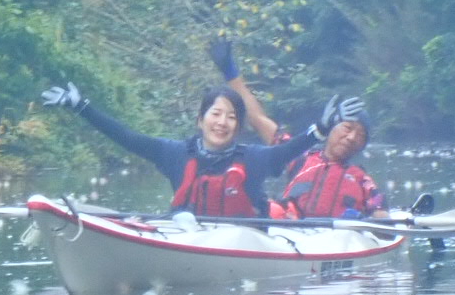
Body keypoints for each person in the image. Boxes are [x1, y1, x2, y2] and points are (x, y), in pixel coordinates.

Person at [39, 80, 357, 218]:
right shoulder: (173, 153)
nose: (222, 122)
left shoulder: (253, 158)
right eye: (215, 114)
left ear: (238, 125)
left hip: (242, 238)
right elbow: (127, 137)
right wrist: (82, 107)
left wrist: (319, 130)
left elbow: (286, 153)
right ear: (200, 119)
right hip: (185, 232)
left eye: (231, 117)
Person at [280, 110, 385, 218]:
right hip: (291, 230)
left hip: (338, 233)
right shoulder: (299, 158)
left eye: (360, 135)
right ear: (331, 129)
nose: (352, 138)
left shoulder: (363, 180)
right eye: (347, 128)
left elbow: (383, 219)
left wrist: (363, 220)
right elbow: (275, 136)